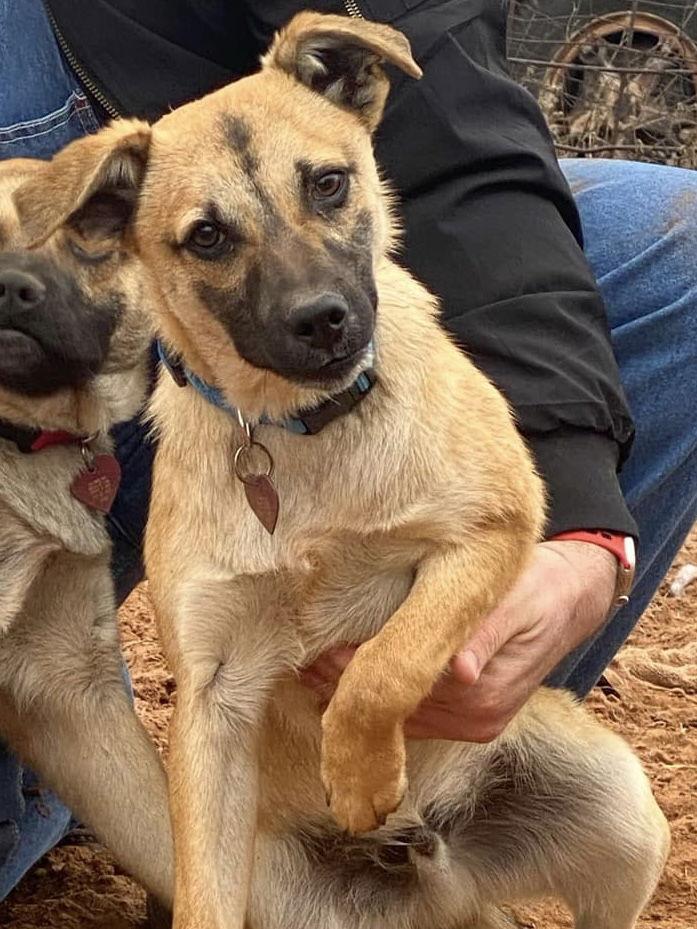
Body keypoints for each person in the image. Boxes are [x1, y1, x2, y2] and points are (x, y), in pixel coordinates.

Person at [1, 0, 695, 904]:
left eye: (328, 188)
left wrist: (578, 521)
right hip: (139, 375)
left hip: (156, 322)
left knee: (679, 250)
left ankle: (443, 760)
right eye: (213, 237)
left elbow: (450, 101)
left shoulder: (331, 92)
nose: (311, 300)